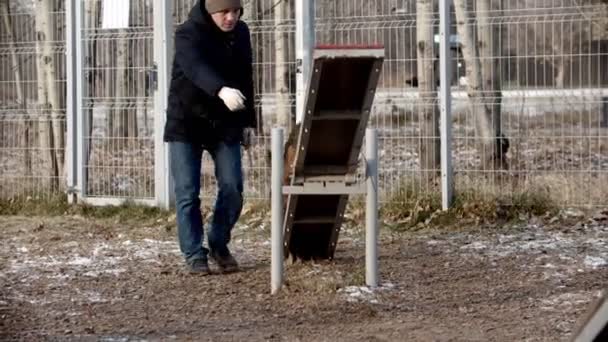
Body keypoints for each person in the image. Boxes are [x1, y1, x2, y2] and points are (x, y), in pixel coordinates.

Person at [163, 0, 257, 275]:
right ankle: (194, 253)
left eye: (236, 11)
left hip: (225, 122)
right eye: (224, 12)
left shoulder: (241, 33)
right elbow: (194, 69)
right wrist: (220, 90)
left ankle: (218, 242)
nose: (231, 18)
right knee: (187, 192)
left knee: (232, 187)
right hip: (186, 122)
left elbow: (245, 76)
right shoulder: (187, 33)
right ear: (210, 10)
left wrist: (249, 122)